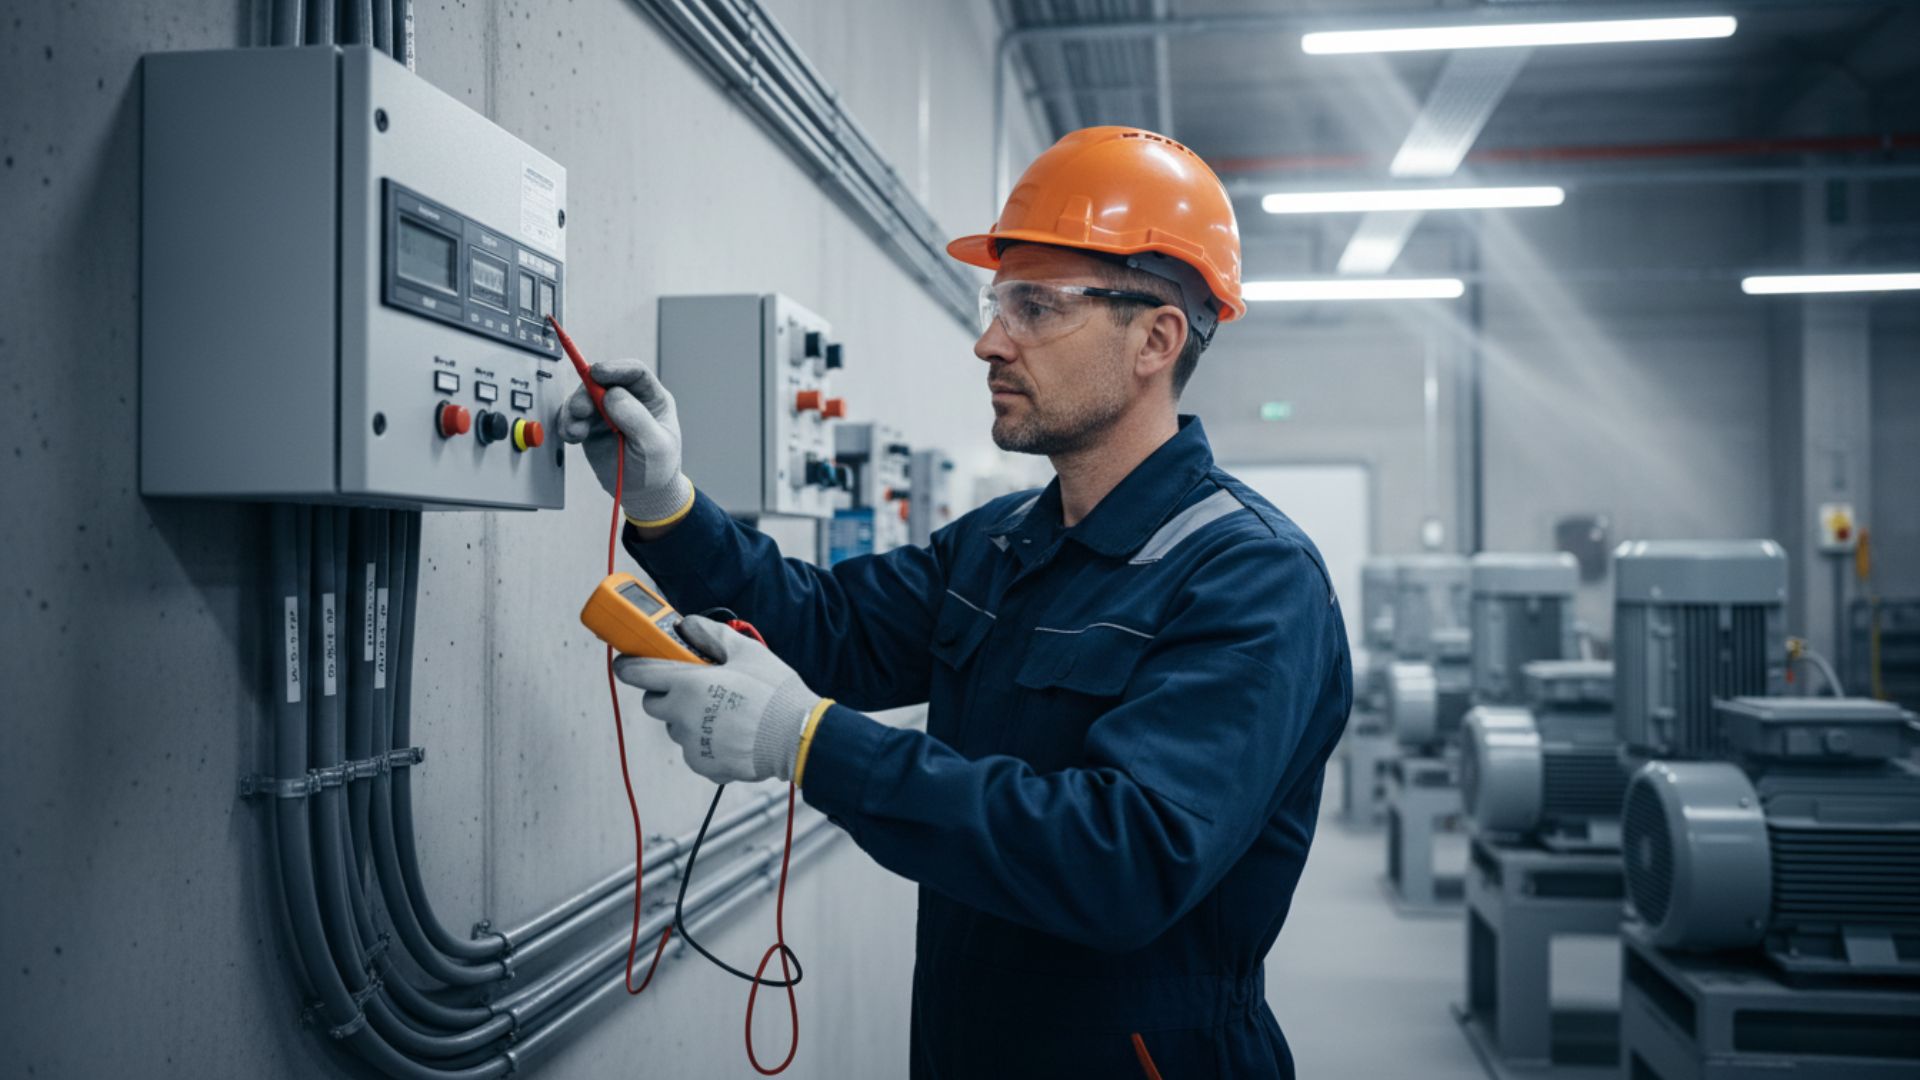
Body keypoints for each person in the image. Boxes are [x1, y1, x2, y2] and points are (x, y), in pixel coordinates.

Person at [558, 126, 1352, 1079]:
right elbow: (829, 628)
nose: (989, 341)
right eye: (997, 302)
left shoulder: (1252, 579)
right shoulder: (1005, 539)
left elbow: (1126, 860)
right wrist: (665, 502)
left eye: (1035, 307)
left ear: (1157, 338)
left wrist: (810, 742)